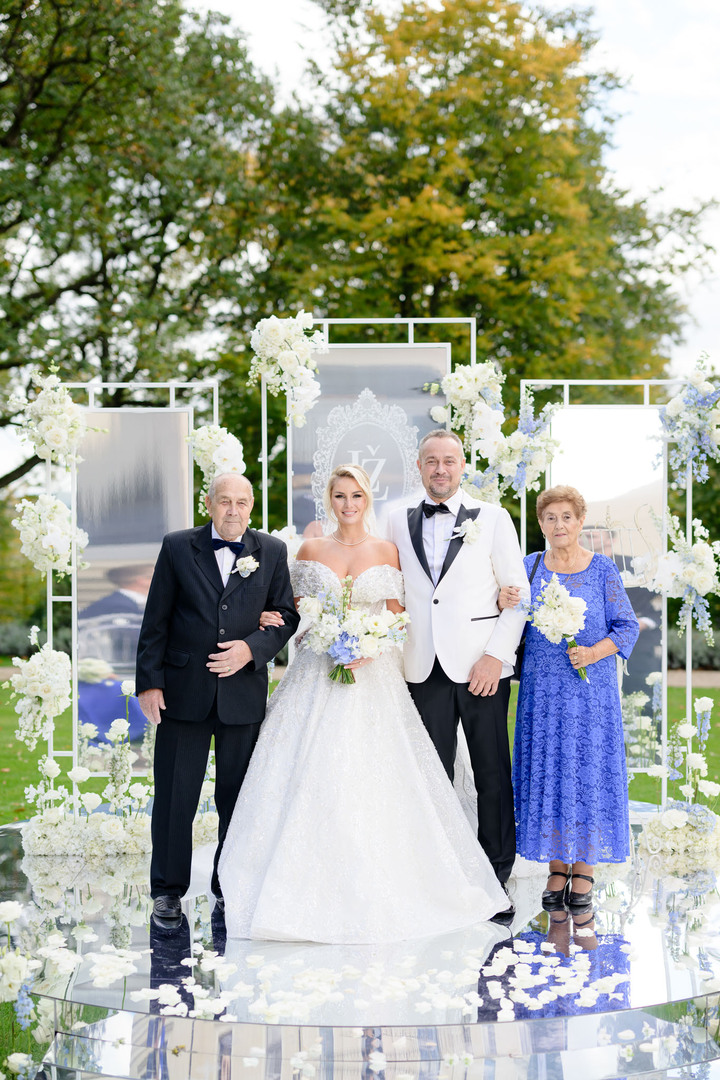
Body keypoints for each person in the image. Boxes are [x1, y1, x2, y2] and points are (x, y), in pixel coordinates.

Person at [217, 464, 509, 943]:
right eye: (340, 495)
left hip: (373, 680)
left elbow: (401, 617)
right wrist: (281, 618)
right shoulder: (309, 550)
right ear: (328, 499)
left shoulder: (387, 550)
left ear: (366, 499)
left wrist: (369, 646)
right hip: (316, 675)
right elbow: (291, 609)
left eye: (356, 495)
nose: (348, 504)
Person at [135, 472, 299, 927]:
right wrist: (149, 682)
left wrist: (252, 649)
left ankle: (229, 885)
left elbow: (286, 615)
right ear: (209, 504)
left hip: (242, 695)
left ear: (251, 506)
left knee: (238, 798)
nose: (233, 510)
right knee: (174, 797)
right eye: (224, 501)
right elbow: (156, 619)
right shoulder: (176, 546)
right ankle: (167, 892)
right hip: (183, 693)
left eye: (241, 502)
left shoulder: (271, 551)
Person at [387, 430, 529, 918]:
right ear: (419, 466)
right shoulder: (395, 518)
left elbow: (518, 592)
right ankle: (438, 875)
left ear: (462, 466)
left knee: (491, 772)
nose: (440, 469)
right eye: (431, 461)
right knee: (431, 777)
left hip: (479, 667)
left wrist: (496, 655)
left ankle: (496, 878)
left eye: (449, 461)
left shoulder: (492, 518)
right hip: (421, 666)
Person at [500, 485, 639, 912]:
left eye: (566, 517)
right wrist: (502, 598)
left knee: (586, 773)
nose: (558, 525)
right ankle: (557, 866)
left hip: (590, 696)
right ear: (540, 524)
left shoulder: (602, 571)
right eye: (550, 518)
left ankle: (585, 868)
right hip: (542, 696)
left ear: (580, 522)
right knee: (552, 773)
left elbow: (627, 627)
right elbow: (509, 619)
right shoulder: (529, 566)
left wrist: (594, 652)